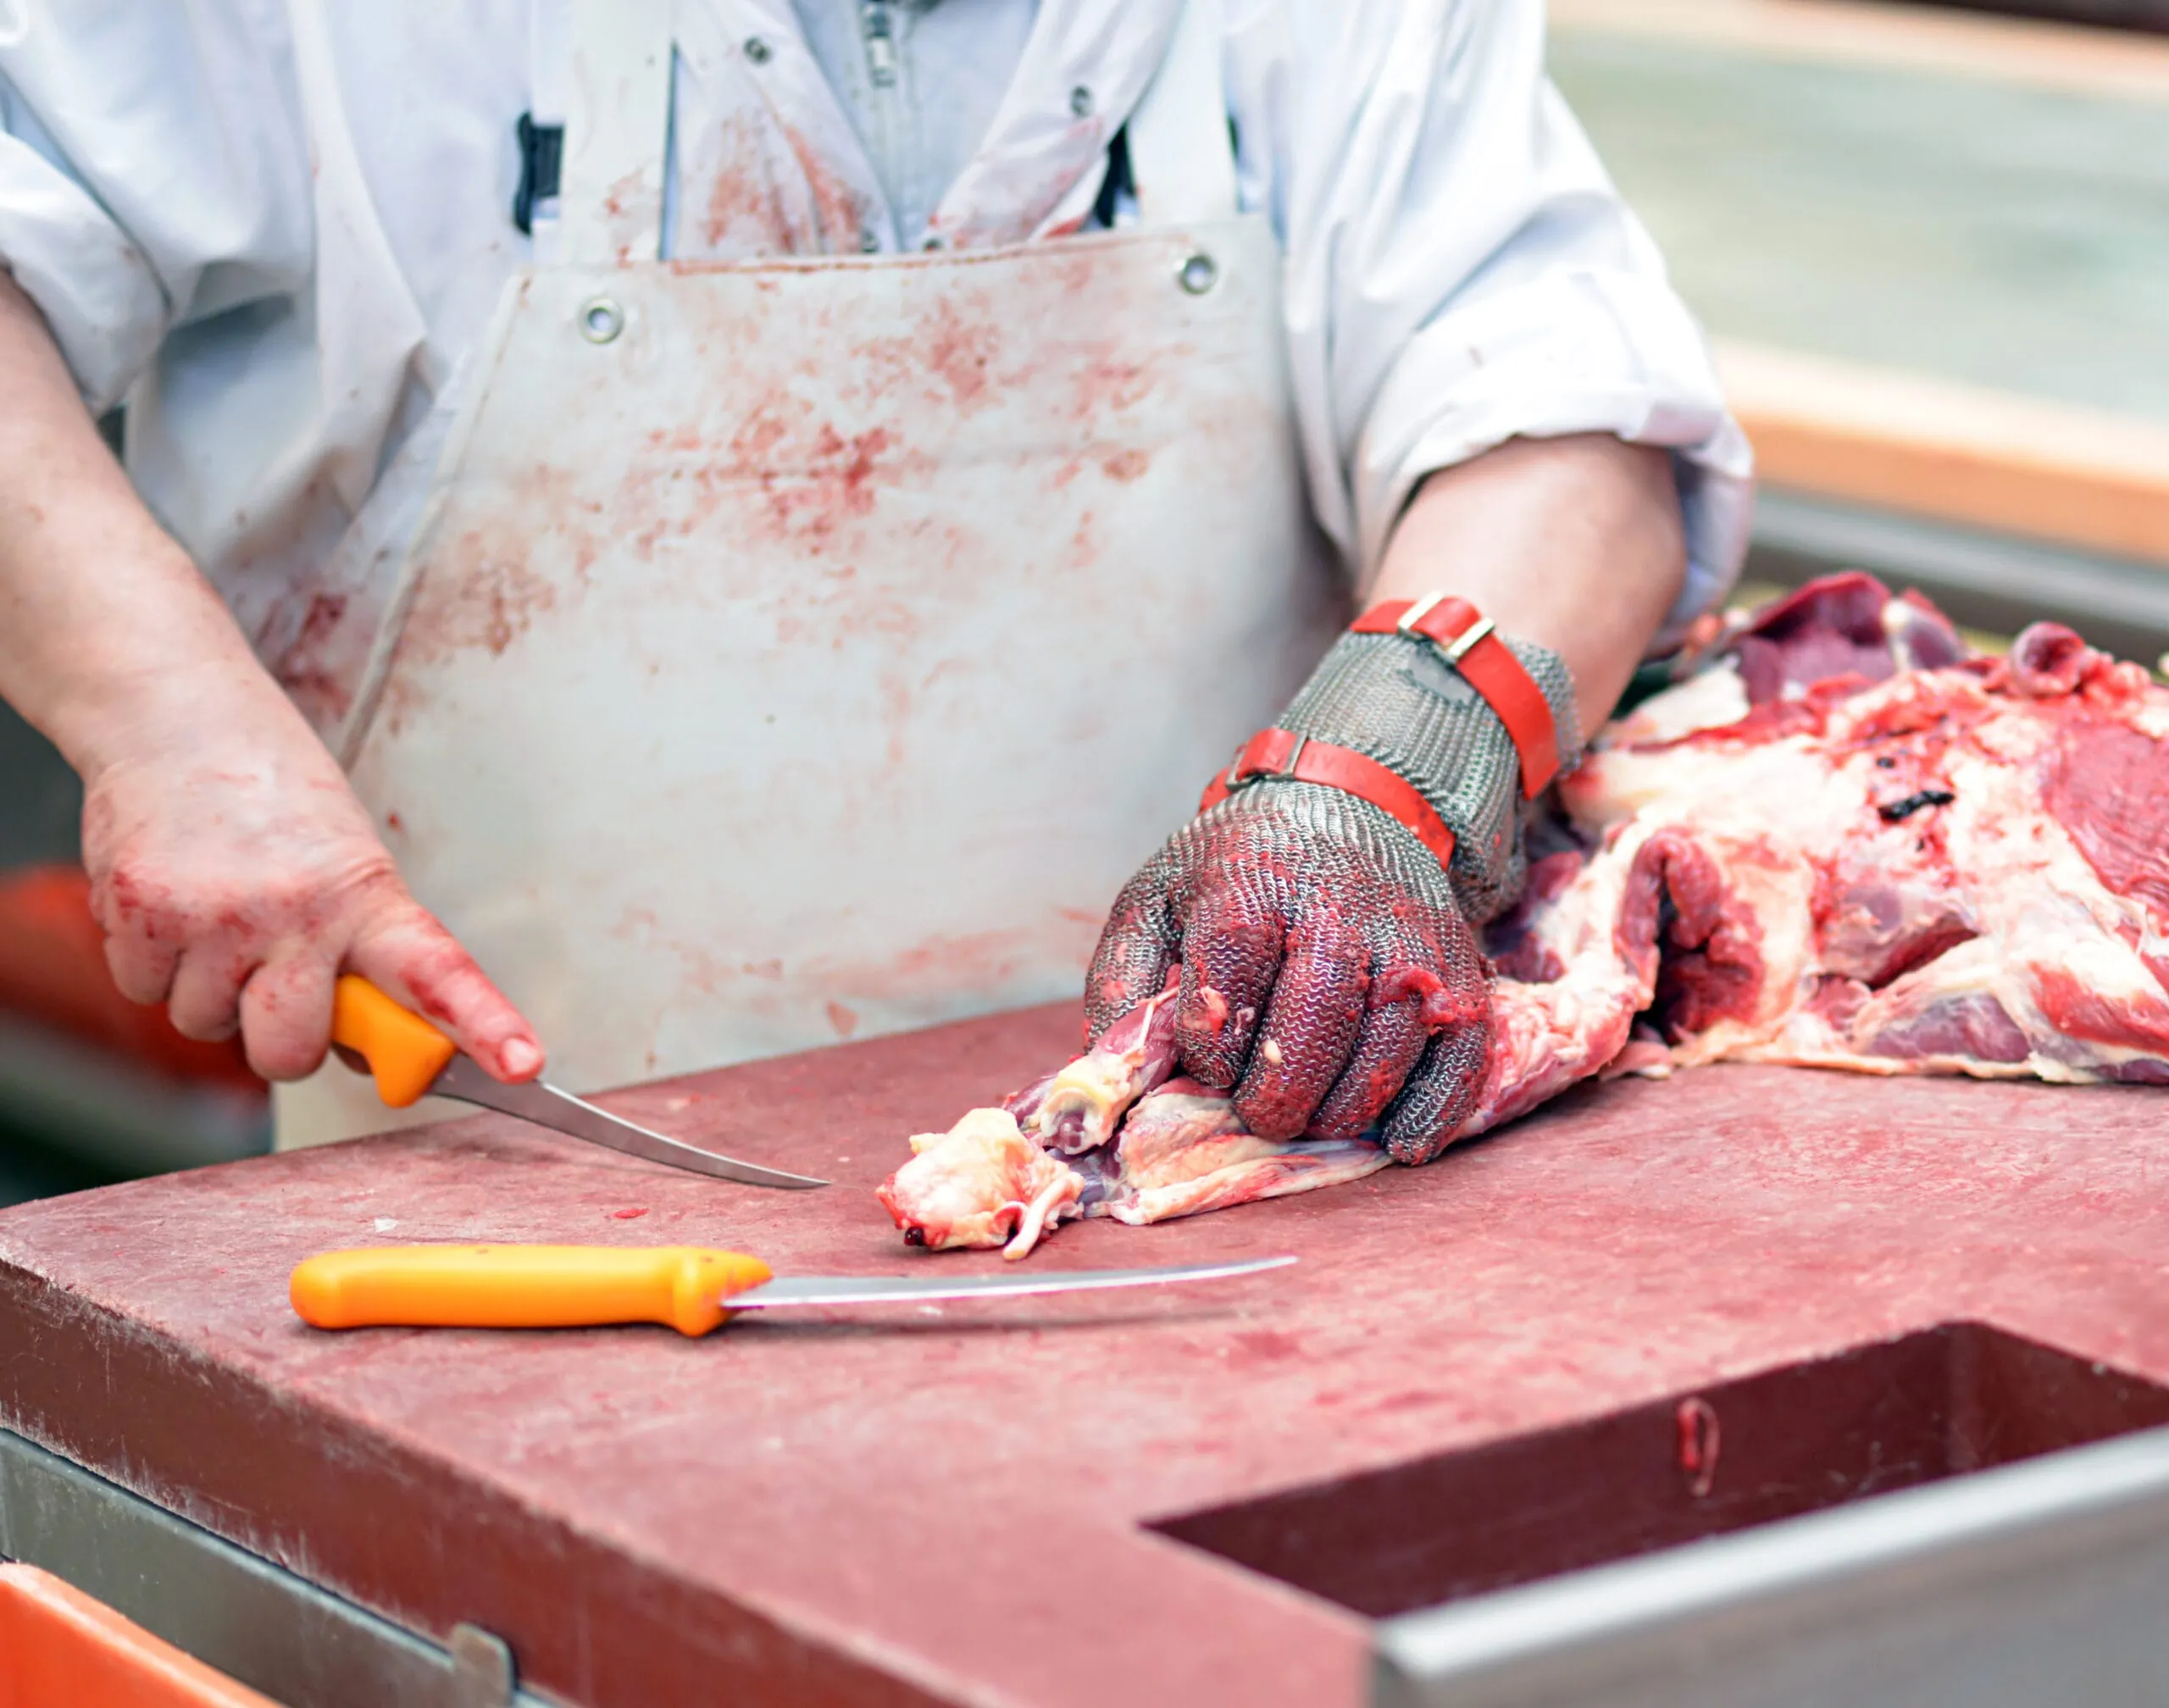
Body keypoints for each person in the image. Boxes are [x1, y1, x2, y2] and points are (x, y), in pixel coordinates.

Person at [0, 1, 1749, 1154]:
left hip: (1246, 1165)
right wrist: (176, 739)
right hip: (483, 1197)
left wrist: (1376, 776)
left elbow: (1559, 416)